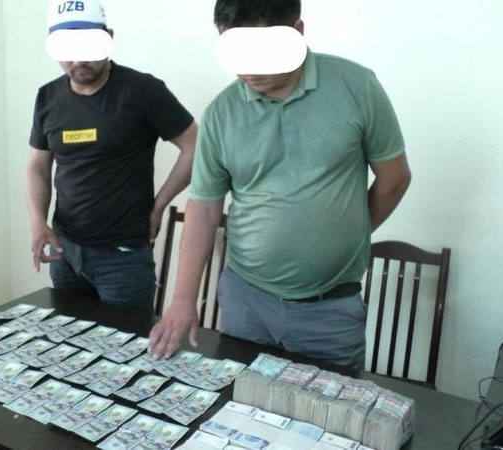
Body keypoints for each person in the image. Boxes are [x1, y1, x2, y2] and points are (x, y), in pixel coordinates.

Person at [149, 0, 411, 369]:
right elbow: (204, 208)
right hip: (246, 301)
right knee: (240, 399)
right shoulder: (222, 112)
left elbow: (394, 179)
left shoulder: (356, 87)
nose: (246, 69)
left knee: (328, 404)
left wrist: (347, 232)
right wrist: (182, 300)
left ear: (297, 32)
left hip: (330, 309)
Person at [26, 0, 197, 311]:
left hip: (123, 257)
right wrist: (38, 222)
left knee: (128, 340)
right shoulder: (47, 96)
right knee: (70, 336)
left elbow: (195, 146)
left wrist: (159, 206)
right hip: (65, 250)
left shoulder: (143, 90)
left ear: (109, 37)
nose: (79, 59)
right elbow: (38, 165)